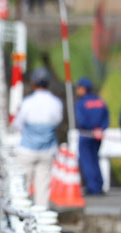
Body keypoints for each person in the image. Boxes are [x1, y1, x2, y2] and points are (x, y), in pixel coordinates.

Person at [11, 68, 63, 206]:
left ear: (33, 83)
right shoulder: (56, 103)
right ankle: (41, 214)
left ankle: (22, 215)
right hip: (48, 149)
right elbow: (58, 120)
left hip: (27, 149)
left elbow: (18, 124)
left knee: (24, 184)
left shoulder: (27, 103)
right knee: (43, 184)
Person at [74, 77, 109, 195]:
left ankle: (93, 187)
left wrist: (91, 129)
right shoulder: (100, 101)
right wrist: (99, 129)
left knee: (87, 162)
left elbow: (82, 121)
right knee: (95, 160)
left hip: (86, 135)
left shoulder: (81, 103)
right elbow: (106, 118)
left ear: (83, 88)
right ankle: (99, 184)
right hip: (98, 136)